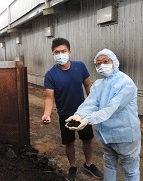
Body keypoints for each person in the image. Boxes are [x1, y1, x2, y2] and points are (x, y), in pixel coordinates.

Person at [65, 48, 141, 181]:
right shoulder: (99, 84)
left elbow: (112, 108)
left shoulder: (126, 83)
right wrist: (79, 115)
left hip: (125, 136)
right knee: (109, 166)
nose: (101, 66)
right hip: (107, 135)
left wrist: (88, 119)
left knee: (130, 171)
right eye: (98, 63)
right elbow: (91, 102)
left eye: (105, 61)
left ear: (114, 62)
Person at [41, 37, 103, 181]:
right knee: (69, 142)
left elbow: (88, 86)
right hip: (65, 114)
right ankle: (73, 166)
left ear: (69, 51)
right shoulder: (51, 74)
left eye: (63, 51)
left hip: (83, 113)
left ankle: (89, 164)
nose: (60, 54)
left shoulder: (79, 66)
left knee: (87, 139)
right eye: (57, 52)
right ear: (53, 54)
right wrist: (46, 114)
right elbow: (49, 97)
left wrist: (94, 104)